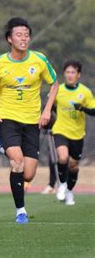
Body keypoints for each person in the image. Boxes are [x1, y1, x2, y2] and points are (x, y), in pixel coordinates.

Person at [0, 17, 58, 223]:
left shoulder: (39, 60)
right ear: (9, 39)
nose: (24, 38)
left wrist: (47, 110)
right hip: (8, 119)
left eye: (26, 35)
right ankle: (20, 212)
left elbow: (54, 83)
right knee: (17, 162)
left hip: (33, 121)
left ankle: (1, 147)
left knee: (28, 174)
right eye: (19, 35)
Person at [52, 60, 94, 205]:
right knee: (63, 158)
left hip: (77, 134)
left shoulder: (85, 92)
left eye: (73, 72)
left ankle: (70, 191)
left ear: (79, 75)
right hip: (60, 130)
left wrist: (82, 108)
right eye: (67, 72)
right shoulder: (58, 89)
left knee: (73, 166)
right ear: (64, 74)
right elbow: (49, 106)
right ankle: (62, 185)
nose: (70, 75)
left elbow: (93, 111)